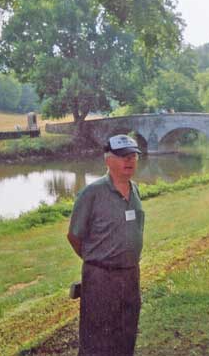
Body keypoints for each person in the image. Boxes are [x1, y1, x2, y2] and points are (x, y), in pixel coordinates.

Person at [67, 134, 145, 356]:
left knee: (127, 331)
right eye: (122, 156)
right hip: (101, 278)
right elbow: (74, 236)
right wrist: (98, 261)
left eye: (133, 156)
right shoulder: (92, 193)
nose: (129, 161)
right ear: (107, 160)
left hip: (131, 275)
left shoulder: (135, 189)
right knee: (97, 337)